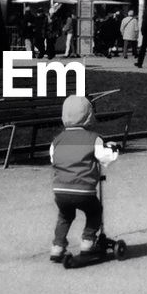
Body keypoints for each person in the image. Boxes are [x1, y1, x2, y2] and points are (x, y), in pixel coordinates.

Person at [48, 94, 120, 262]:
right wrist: (113, 149)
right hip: (83, 189)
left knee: (65, 216)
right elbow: (105, 156)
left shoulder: (57, 141)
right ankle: (88, 242)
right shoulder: (93, 139)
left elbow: (53, 159)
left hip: (60, 189)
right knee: (95, 211)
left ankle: (57, 246)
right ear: (89, 116)